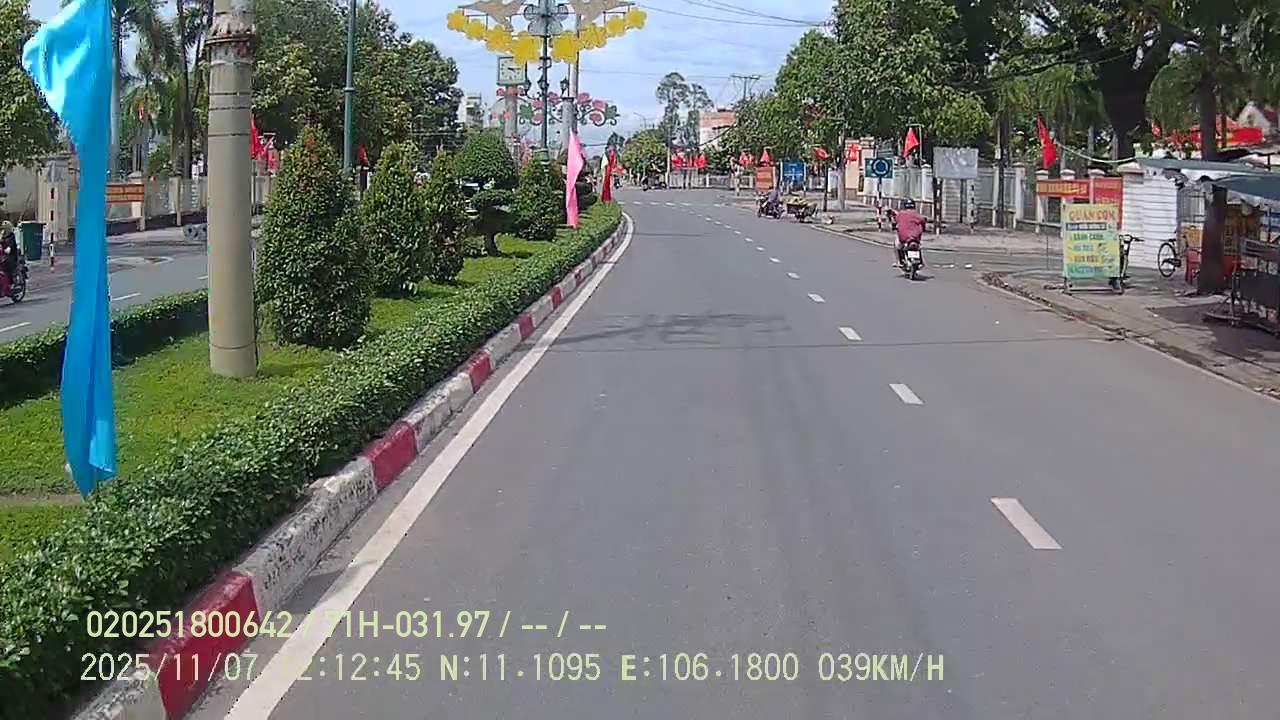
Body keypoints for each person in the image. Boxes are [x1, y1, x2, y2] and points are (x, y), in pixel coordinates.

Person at [894, 199, 927, 267]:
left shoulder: (900, 214)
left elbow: (896, 221)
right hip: (916, 237)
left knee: (897, 244)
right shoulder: (917, 215)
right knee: (918, 247)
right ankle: (921, 262)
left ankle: (899, 261)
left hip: (903, 238)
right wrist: (924, 229)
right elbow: (923, 221)